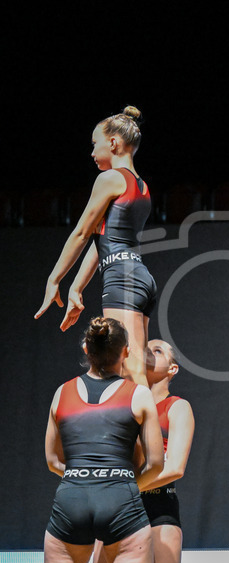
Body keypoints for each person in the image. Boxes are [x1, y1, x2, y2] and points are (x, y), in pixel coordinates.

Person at [35, 317, 164, 563]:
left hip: (72, 499)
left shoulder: (61, 393)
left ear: (85, 349)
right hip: (120, 500)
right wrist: (122, 485)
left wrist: (83, 476)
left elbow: (52, 461)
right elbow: (157, 464)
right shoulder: (139, 395)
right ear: (125, 352)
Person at [35, 107, 157, 387]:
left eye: (94, 144)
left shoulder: (111, 178)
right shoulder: (142, 186)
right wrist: (76, 288)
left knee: (132, 371)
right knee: (135, 373)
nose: (92, 152)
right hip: (139, 278)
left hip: (122, 278)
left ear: (113, 143)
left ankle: (149, 433)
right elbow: (102, 241)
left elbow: (81, 233)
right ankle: (143, 433)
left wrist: (54, 279)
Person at [91, 339, 195, 563]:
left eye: (158, 350)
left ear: (172, 369)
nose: (149, 351)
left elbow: (175, 467)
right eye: (145, 347)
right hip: (116, 512)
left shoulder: (177, 407)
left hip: (158, 512)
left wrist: (127, 486)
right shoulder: (121, 404)